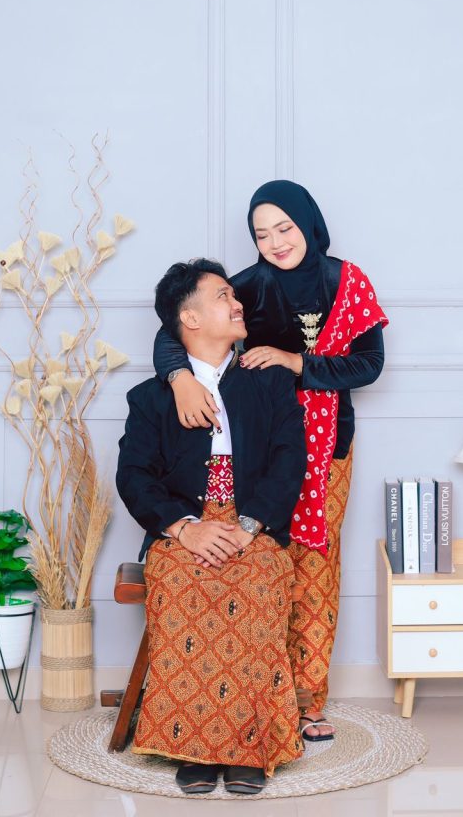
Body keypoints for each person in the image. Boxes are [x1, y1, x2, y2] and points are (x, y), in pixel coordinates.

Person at [153, 181, 388, 741]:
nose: (276, 242)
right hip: (256, 443)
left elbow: (370, 365)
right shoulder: (248, 288)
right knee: (261, 557)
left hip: (328, 447)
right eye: (262, 234)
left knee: (316, 568)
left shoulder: (346, 282)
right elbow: (176, 328)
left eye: (285, 228)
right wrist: (180, 378)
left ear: (308, 223)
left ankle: (307, 701)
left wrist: (295, 360)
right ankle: (256, 692)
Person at [116, 259, 306, 795]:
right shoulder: (152, 397)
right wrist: (183, 528)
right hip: (184, 529)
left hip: (254, 525)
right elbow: (133, 476)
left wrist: (249, 524)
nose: (238, 302)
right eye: (224, 295)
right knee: (183, 582)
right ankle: (192, 745)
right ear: (190, 318)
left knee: (258, 580)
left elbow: (290, 460)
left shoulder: (269, 382)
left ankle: (248, 748)